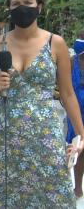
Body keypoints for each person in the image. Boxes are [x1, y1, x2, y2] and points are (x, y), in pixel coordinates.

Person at [0, 0, 84, 208]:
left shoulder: (55, 43)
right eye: (15, 4)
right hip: (5, 132)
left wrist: (82, 135)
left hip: (45, 131)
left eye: (27, 2)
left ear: (39, 7)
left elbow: (67, 94)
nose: (22, 7)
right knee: (7, 192)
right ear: (9, 9)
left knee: (53, 189)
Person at [66, 32, 84, 198]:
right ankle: (77, 187)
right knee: (76, 149)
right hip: (76, 112)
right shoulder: (72, 62)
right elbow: (65, 88)